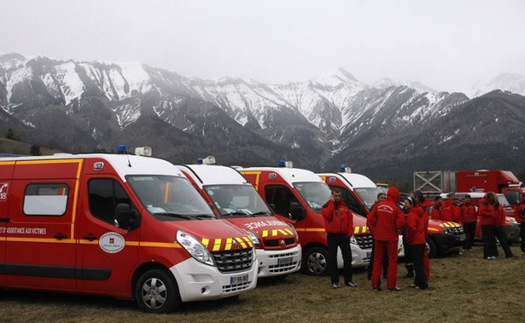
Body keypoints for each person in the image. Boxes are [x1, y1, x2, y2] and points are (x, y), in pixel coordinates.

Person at [367, 186, 406, 291]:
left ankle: (375, 285)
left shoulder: (378, 206)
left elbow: (369, 221)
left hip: (379, 237)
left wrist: (375, 232)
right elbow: (400, 223)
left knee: (377, 261)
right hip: (391, 238)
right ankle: (391, 286)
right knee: (392, 261)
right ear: (396, 196)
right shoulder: (396, 208)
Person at [322, 188, 357, 289]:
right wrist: (332, 203)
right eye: (335, 196)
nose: (337, 198)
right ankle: (335, 281)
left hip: (344, 235)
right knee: (333, 258)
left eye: (339, 196)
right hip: (332, 235)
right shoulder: (326, 206)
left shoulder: (345, 207)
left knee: (347, 258)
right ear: (332, 196)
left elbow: (350, 220)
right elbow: (328, 216)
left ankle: (348, 280)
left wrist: (349, 233)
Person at [404, 196, 428, 289]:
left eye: (406, 203)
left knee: (418, 264)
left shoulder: (411, 215)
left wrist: (408, 239)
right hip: (420, 240)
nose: (405, 205)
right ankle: (418, 281)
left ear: (411, 204)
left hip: (415, 242)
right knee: (419, 263)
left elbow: (411, 228)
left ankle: (422, 284)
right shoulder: (417, 213)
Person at [367, 192, 388, 281]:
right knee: (375, 255)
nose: (383, 199)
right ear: (378, 199)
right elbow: (370, 221)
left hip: (386, 234)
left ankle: (386, 273)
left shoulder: (387, 208)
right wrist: (374, 232)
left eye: (384, 198)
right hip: (377, 235)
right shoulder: (374, 208)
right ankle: (371, 273)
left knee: (386, 255)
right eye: (382, 198)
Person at [478, 192, 498, 259]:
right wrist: (491, 214)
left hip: (491, 223)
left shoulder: (490, 203)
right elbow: (481, 212)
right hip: (486, 224)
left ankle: (492, 254)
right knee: (487, 240)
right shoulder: (485, 203)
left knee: (492, 239)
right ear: (490, 197)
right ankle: (487, 254)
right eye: (494, 196)